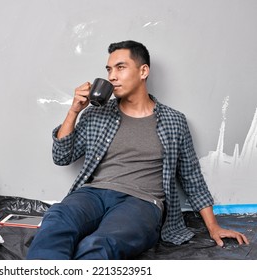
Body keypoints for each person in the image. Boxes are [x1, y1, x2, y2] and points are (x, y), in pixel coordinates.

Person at [26, 40, 249, 260]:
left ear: (143, 71)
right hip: (92, 194)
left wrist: (213, 227)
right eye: (109, 69)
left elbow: (191, 177)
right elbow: (62, 156)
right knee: (56, 220)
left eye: (120, 68)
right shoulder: (96, 114)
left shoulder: (174, 121)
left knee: (100, 244)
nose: (112, 76)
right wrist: (73, 112)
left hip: (141, 202)